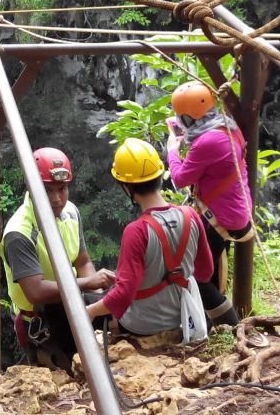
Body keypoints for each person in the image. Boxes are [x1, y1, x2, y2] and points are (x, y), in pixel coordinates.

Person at [0, 147, 115, 369]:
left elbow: (82, 262)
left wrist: (96, 292)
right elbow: (36, 291)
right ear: (30, 187)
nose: (56, 198)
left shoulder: (71, 212)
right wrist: (87, 283)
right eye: (47, 190)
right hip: (42, 324)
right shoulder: (19, 233)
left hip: (73, 305)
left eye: (62, 189)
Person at [86, 138, 211, 341]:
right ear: (160, 176)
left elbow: (124, 294)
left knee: (85, 301)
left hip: (141, 326)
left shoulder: (136, 231)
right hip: (181, 316)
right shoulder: (191, 216)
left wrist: (89, 312)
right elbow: (205, 273)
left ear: (127, 188)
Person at [167, 80, 251, 326]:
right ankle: (214, 320)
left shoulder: (207, 142)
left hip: (220, 215)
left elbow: (180, 179)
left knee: (198, 275)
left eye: (181, 118)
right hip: (235, 208)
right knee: (210, 265)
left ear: (190, 119)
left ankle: (231, 326)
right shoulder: (229, 127)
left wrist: (172, 149)